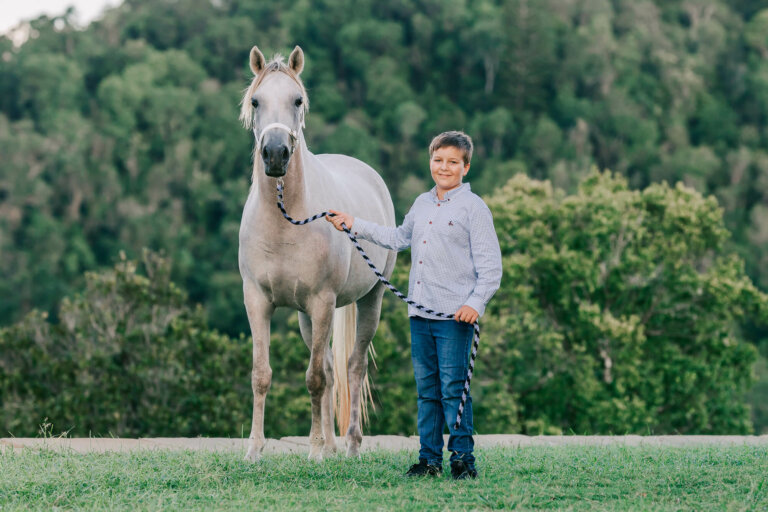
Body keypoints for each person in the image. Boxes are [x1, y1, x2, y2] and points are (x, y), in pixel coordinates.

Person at [326, 131, 502, 480]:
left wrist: (475, 304)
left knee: (455, 390)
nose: (444, 167)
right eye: (438, 160)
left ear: (466, 167)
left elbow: (491, 267)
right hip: (420, 314)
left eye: (453, 162)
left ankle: (463, 460)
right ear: (430, 161)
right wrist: (354, 224)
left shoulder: (474, 209)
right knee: (427, 392)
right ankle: (429, 459)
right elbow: (398, 238)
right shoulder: (422, 203)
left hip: (454, 317)